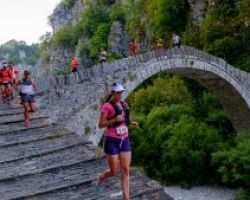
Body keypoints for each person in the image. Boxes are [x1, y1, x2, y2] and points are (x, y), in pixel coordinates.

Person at [96, 81, 139, 200]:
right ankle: (102, 178)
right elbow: (100, 125)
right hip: (111, 141)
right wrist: (114, 119)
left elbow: (125, 121)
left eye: (121, 92)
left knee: (125, 170)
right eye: (118, 93)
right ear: (112, 93)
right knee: (114, 171)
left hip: (124, 140)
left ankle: (126, 198)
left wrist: (131, 123)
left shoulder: (124, 104)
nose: (120, 95)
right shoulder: (107, 106)